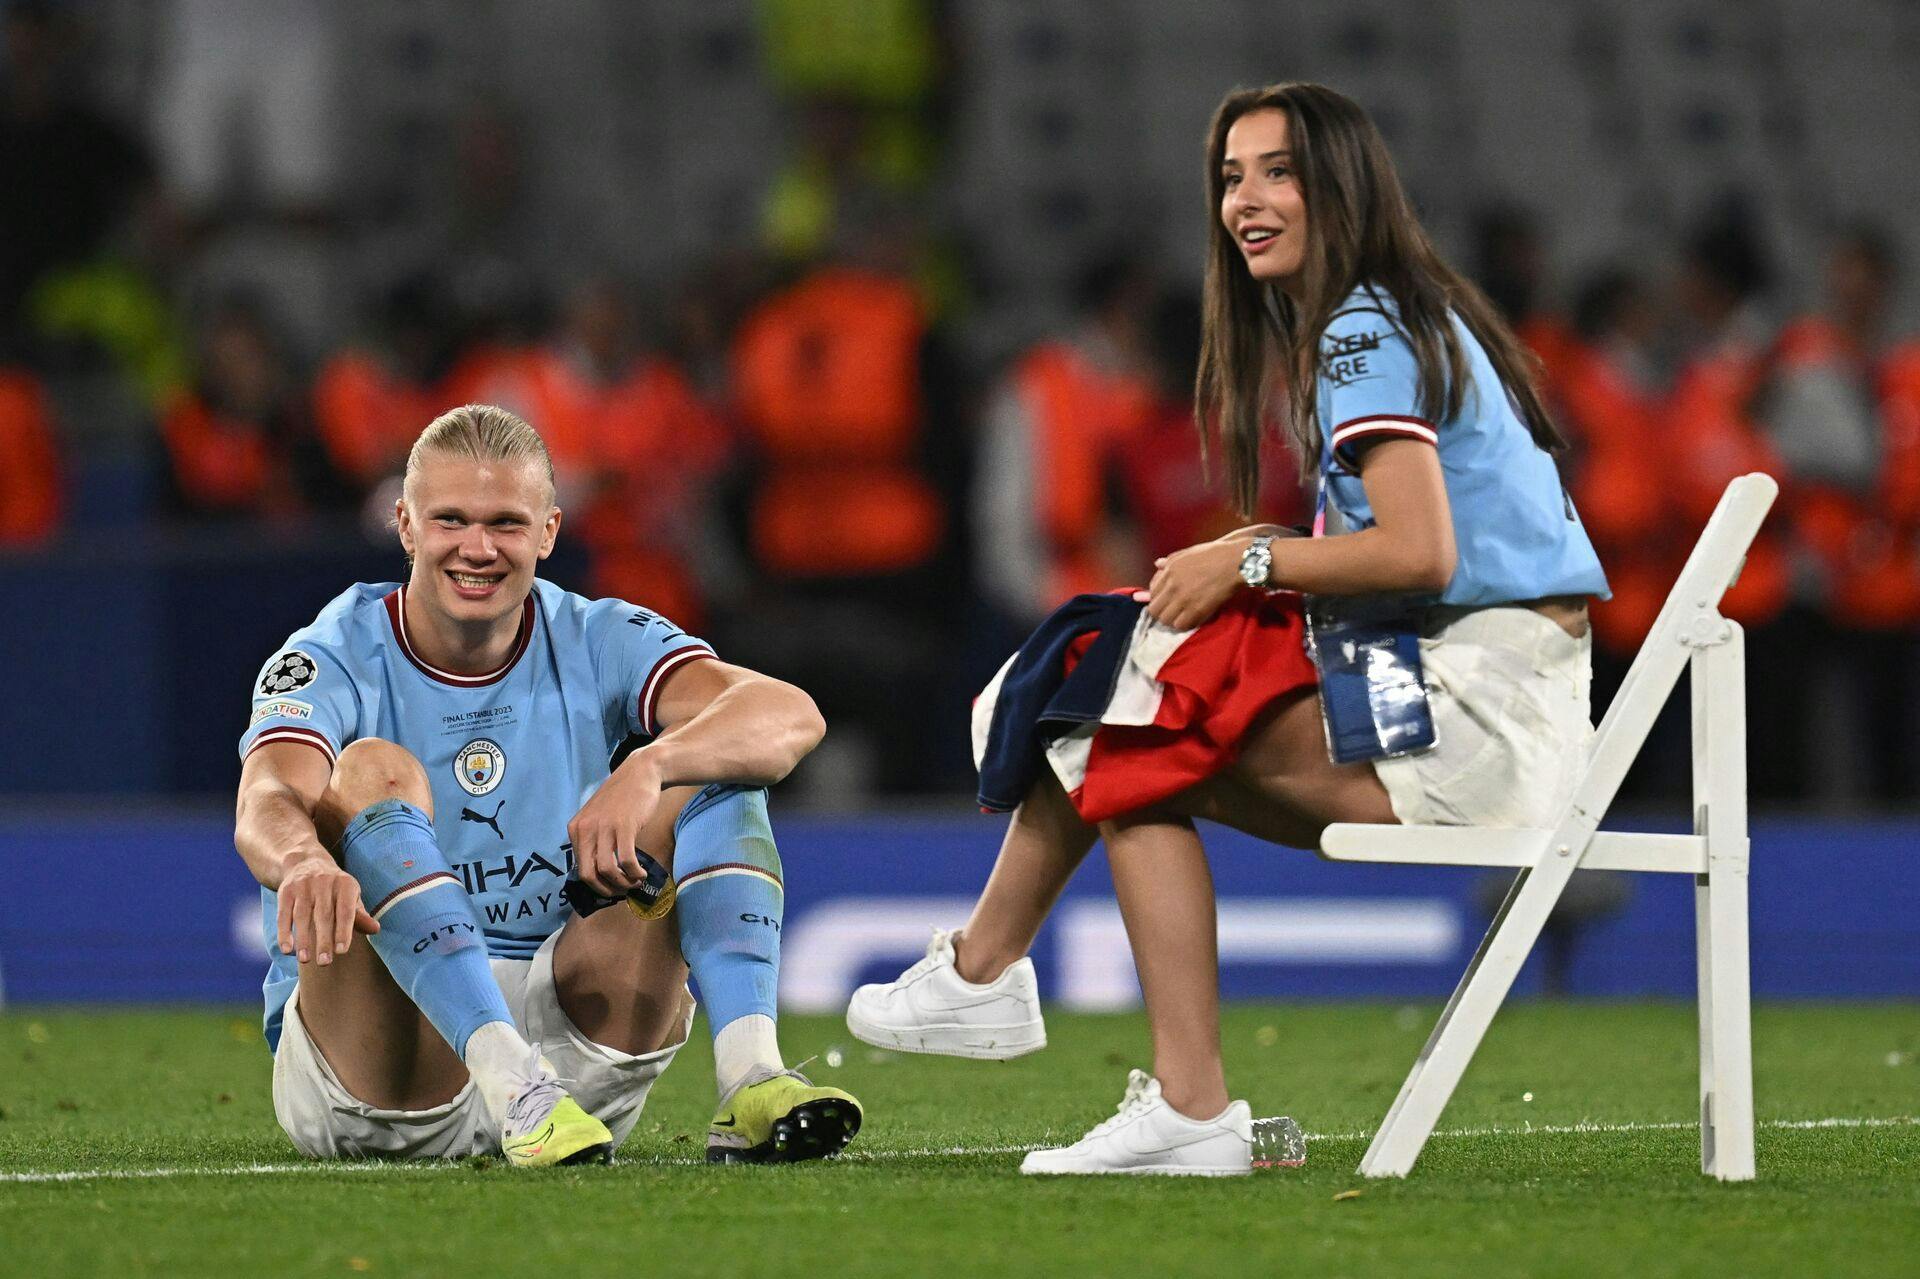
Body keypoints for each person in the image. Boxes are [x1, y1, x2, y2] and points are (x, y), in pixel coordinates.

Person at [847, 82, 1607, 1176]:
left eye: (1277, 172)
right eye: (1230, 176)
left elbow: (1418, 554)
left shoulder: (1359, 328)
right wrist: (1256, 544)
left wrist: (1244, 555)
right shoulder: (1386, 312)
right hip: (1485, 693)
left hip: (1468, 704)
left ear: (1339, 186)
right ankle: (1145, 1081)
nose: (1244, 200)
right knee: (1121, 730)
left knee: (1107, 669)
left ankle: (992, 980)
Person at [235, 403, 860, 1167]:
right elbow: (266, 796)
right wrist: (301, 859)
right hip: (392, 1073)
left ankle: (753, 1077)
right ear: (404, 525)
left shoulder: (598, 635)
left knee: (716, 759)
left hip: (573, 1071)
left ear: (548, 532)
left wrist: (651, 764)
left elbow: (788, 714)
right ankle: (507, 1078)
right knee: (371, 769)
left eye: (505, 522)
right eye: (450, 520)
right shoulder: (333, 651)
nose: (477, 548)